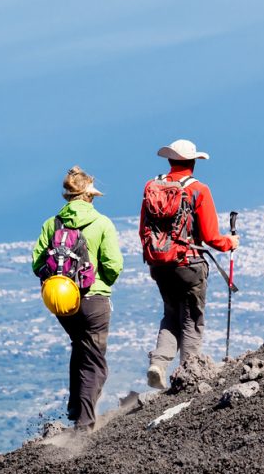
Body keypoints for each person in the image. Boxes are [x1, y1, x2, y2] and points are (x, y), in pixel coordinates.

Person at [140, 139, 240, 389]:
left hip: (159, 264)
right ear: (193, 162)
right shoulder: (198, 190)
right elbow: (210, 236)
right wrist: (230, 243)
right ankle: (189, 373)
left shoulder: (152, 186)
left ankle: (159, 363)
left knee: (171, 315)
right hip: (189, 264)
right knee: (192, 319)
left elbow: (144, 228)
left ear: (170, 160)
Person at [33, 166, 123, 431]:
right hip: (94, 299)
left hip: (61, 299)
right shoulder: (102, 223)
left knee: (79, 345)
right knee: (95, 359)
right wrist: (101, 283)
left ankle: (74, 406)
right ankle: (84, 422)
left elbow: (37, 263)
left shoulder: (52, 224)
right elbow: (113, 265)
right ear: (90, 195)